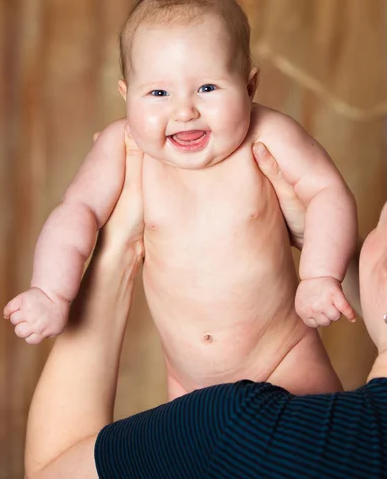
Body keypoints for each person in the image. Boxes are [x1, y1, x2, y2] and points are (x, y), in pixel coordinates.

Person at [5, 0, 358, 397]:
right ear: (126, 95)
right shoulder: (124, 146)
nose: (185, 110)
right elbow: (76, 211)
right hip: (189, 383)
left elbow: (327, 192)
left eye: (207, 88)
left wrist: (319, 273)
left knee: (312, 456)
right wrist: (50, 289)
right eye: (157, 92)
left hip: (285, 358)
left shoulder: (268, 135)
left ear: (249, 86)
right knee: (200, 463)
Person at [24, 129, 386, 479]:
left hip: (276, 365)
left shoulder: (232, 427)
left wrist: (116, 250)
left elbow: (50, 473)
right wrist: (320, 255)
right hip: (189, 383)